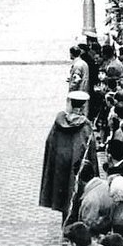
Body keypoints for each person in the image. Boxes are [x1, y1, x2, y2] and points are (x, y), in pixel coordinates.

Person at [39, 90, 98, 220]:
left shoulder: (58, 123)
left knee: (63, 198)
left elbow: (50, 142)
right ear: (83, 106)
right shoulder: (85, 126)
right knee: (75, 196)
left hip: (60, 167)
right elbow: (90, 149)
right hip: (77, 167)